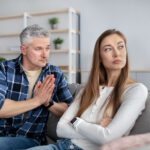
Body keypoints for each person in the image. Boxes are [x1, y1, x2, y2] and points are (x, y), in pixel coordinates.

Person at [26, 29, 148, 150]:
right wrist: (97, 130)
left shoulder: (136, 90)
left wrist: (75, 122)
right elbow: (60, 128)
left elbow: (107, 138)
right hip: (61, 146)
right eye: (108, 49)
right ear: (99, 57)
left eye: (121, 47)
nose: (117, 53)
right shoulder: (87, 89)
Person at [0, 24, 73, 150]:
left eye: (47, 48)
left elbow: (70, 112)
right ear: (23, 50)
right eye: (38, 49)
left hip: (31, 139)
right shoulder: (4, 69)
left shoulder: (55, 74)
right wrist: (37, 100)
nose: (45, 55)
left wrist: (48, 103)